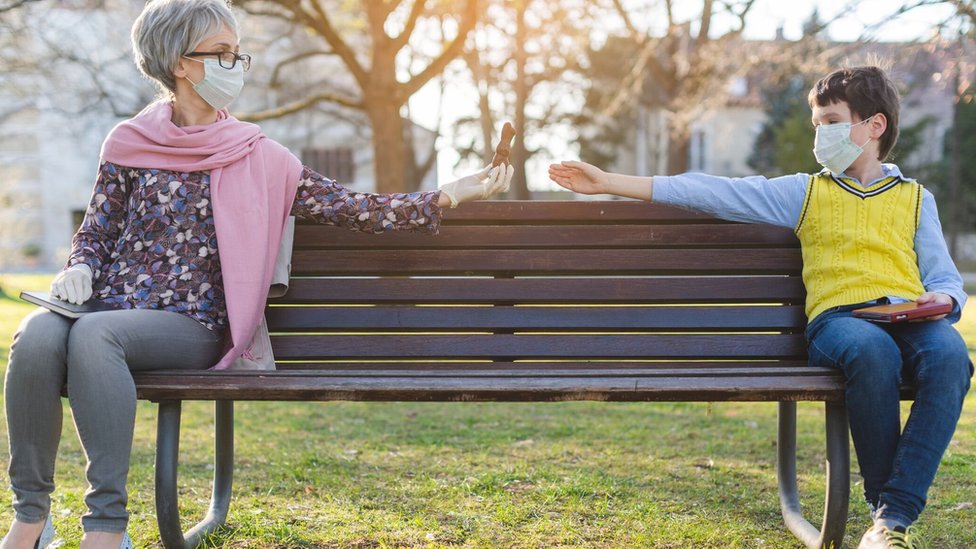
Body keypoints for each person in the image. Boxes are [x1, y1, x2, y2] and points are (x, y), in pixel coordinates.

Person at [1, 0, 514, 547]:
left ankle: (106, 527)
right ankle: (31, 517)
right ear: (180, 62)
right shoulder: (128, 144)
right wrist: (79, 265)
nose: (235, 65)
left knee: (95, 333)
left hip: (189, 324)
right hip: (107, 306)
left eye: (236, 54)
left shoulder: (260, 154)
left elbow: (355, 208)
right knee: (35, 335)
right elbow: (98, 231)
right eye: (221, 53)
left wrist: (446, 196)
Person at [549, 65, 972, 549]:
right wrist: (609, 181)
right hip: (842, 324)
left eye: (831, 122)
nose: (821, 135)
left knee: (951, 357)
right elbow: (714, 191)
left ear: (874, 126)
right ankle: (891, 520)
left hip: (907, 317)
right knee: (873, 353)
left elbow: (943, 278)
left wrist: (944, 297)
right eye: (816, 125)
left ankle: (888, 518)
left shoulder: (918, 199)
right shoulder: (805, 192)